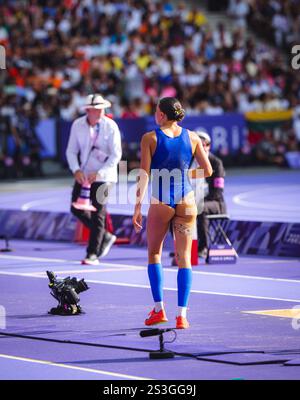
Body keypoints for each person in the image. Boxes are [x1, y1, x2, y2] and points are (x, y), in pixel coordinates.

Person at [132, 97, 212, 329]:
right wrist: (185, 176)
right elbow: (207, 170)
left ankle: (159, 310)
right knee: (184, 258)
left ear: (162, 115)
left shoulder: (150, 138)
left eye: (157, 111)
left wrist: (137, 207)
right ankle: (182, 316)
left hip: (161, 202)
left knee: (154, 254)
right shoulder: (194, 137)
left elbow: (144, 175)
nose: (156, 114)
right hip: (186, 201)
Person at [66, 94, 122, 265]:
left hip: (104, 177)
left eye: (102, 109)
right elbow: (71, 151)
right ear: (88, 110)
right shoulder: (78, 125)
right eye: (96, 109)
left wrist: (99, 173)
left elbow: (116, 154)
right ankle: (103, 235)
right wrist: (75, 170)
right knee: (76, 208)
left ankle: (92, 253)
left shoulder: (110, 125)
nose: (100, 112)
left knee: (98, 212)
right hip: (83, 175)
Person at [194, 131, 227, 259]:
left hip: (216, 203)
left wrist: (197, 201)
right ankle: (182, 247)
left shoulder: (216, 163)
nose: (202, 148)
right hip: (194, 201)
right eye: (198, 145)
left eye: (204, 145)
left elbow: (218, 191)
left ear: (209, 146)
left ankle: (203, 248)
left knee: (199, 208)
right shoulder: (190, 162)